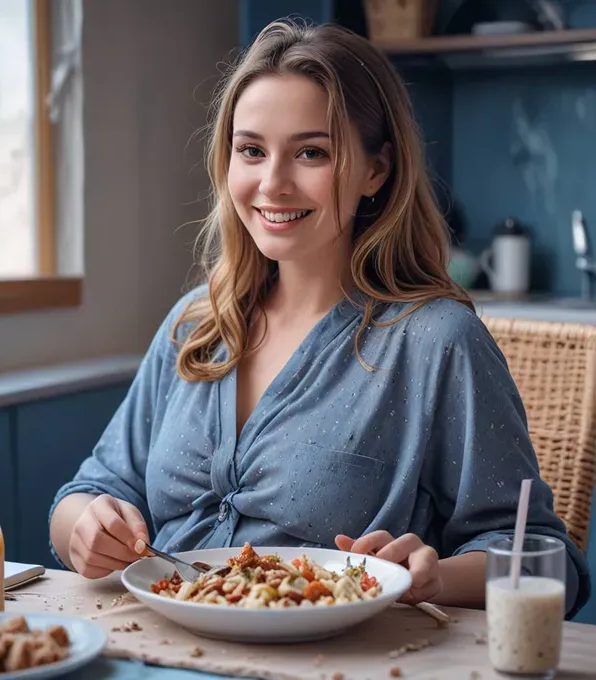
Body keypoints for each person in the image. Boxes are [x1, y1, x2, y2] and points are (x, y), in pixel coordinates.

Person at [49, 19, 590, 617]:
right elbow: (89, 493)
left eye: (312, 152)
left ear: (375, 171)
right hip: (157, 652)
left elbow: (548, 560)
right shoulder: (193, 326)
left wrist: (433, 575)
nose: (273, 183)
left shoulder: (438, 342)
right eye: (251, 150)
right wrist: (85, 529)